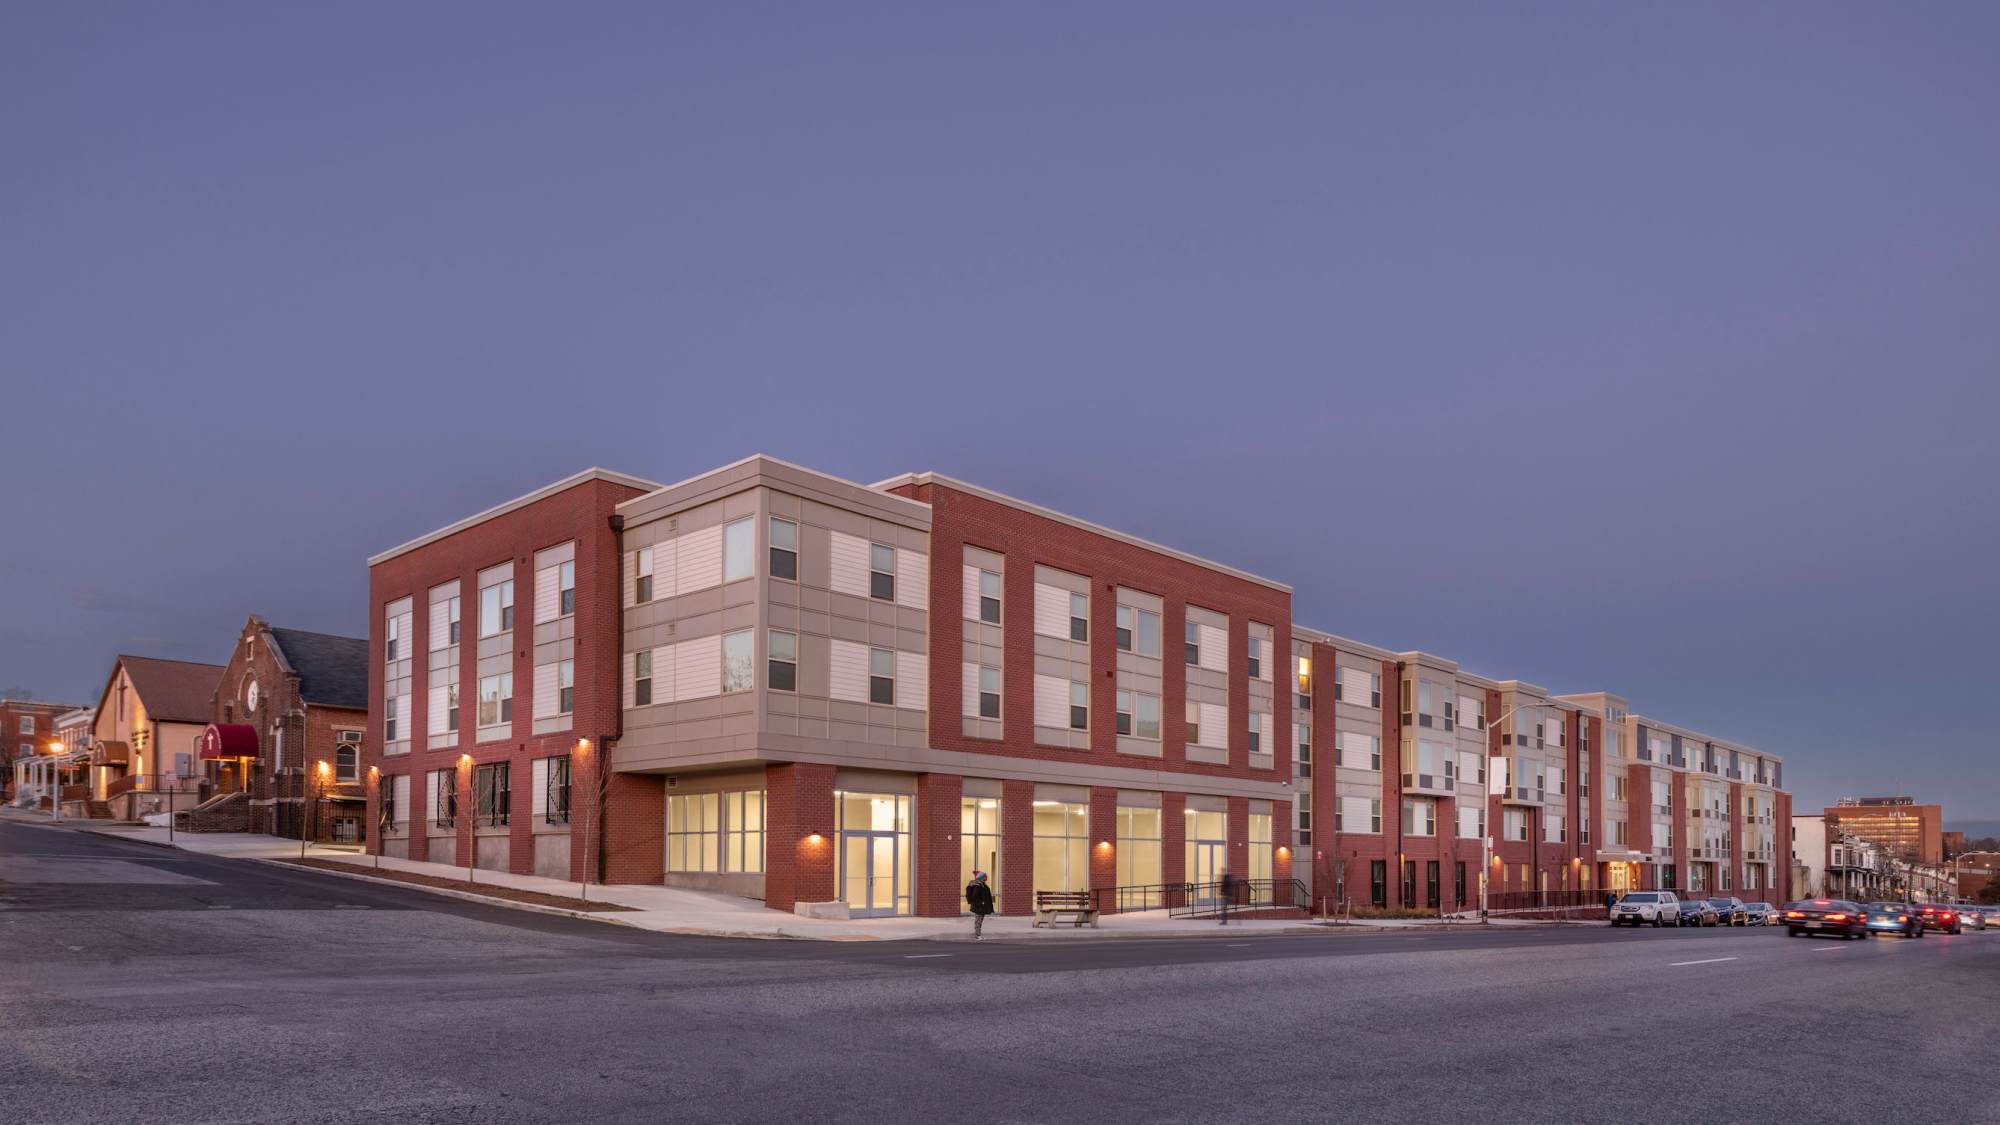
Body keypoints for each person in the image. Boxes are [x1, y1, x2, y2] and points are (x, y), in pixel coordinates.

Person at [965, 871, 994, 939]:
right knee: (978, 921)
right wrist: (981, 903)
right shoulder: (978, 886)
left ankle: (978, 934)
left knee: (979, 921)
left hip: (981, 907)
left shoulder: (982, 884)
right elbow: (974, 896)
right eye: (985, 876)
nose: (987, 877)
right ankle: (977, 935)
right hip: (979, 907)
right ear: (982, 877)